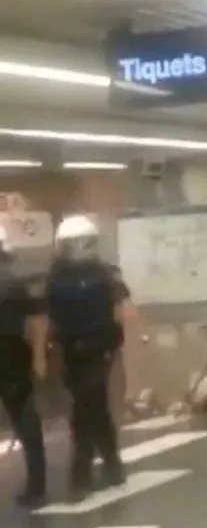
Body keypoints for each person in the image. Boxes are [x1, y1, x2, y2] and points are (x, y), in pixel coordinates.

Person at [44, 215, 128, 501]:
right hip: (70, 351)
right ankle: (112, 463)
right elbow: (51, 317)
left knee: (85, 407)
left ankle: (81, 469)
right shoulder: (56, 276)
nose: (77, 248)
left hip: (98, 348)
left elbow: (121, 307)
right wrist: (50, 350)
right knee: (94, 407)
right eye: (71, 244)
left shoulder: (104, 273)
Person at [0, 227, 46, 506]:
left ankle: (37, 486)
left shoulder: (14, 282)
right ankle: (37, 485)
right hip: (13, 352)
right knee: (26, 420)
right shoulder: (16, 280)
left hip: (10, 351)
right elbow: (38, 320)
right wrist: (39, 357)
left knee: (25, 420)